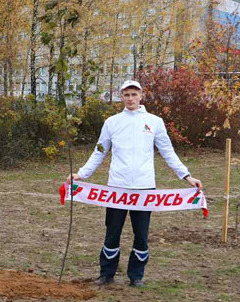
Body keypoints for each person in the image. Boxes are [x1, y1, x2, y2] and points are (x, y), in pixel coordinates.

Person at [68, 79, 202, 288]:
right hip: (117, 188)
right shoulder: (112, 122)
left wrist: (187, 176)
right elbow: (99, 151)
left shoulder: (155, 122)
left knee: (141, 234)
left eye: (134, 94)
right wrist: (81, 174)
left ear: (141, 96)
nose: (130, 98)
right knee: (112, 232)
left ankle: (136, 276)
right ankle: (106, 274)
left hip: (144, 188)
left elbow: (168, 152)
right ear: (121, 97)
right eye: (126, 95)